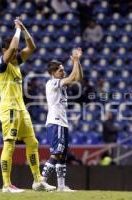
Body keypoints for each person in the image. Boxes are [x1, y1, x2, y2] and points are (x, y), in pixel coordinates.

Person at [0, 17, 55, 193]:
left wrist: (24, 28)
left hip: (21, 108)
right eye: (12, 52)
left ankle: (37, 181)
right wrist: (17, 29)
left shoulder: (16, 62)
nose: (16, 53)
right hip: (9, 108)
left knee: (33, 142)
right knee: (10, 144)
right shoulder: (1, 65)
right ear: (4, 51)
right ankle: (6, 185)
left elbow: (32, 47)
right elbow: (13, 47)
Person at [41, 48, 83, 192]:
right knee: (56, 153)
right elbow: (72, 78)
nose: (62, 72)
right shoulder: (52, 83)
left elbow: (78, 77)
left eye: (63, 70)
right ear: (53, 73)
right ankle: (41, 181)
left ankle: (61, 186)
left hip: (62, 122)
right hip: (55, 121)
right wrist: (75, 61)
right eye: (60, 70)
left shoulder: (60, 82)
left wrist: (78, 62)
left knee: (63, 156)